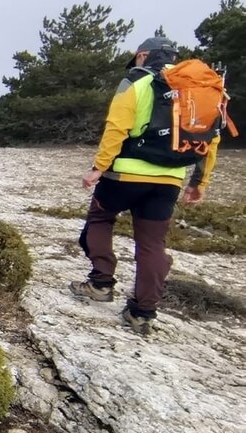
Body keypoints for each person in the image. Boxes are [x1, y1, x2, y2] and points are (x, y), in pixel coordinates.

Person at [72, 36, 223, 335]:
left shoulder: (136, 82)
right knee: (152, 245)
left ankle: (101, 283)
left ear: (142, 56)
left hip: (123, 175)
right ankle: (142, 313)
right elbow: (211, 140)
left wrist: (98, 167)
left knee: (100, 219)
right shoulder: (199, 89)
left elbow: (116, 128)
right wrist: (198, 182)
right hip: (169, 180)